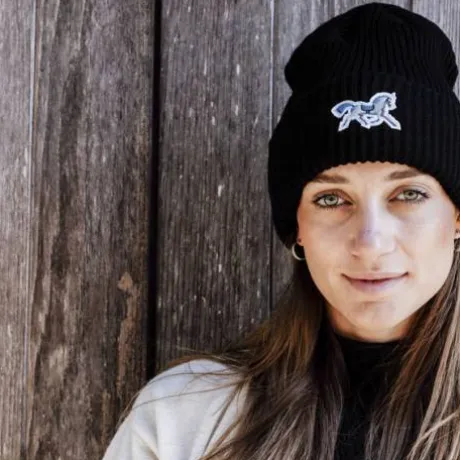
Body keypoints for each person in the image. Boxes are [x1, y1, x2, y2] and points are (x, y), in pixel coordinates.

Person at [101, 3, 460, 459]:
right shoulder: (182, 420)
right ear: (298, 229)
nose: (370, 243)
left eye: (408, 194)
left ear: (456, 216)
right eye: (331, 199)